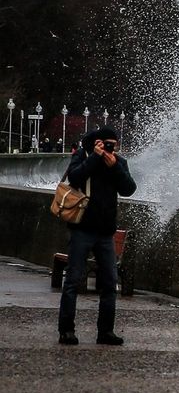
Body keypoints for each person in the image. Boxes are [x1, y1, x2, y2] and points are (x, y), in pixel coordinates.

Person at [57, 126, 137, 346]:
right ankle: (66, 330)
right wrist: (95, 157)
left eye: (114, 145)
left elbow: (129, 189)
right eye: (107, 145)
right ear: (98, 143)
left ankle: (105, 332)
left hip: (105, 232)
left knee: (110, 284)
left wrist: (114, 168)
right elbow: (74, 178)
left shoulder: (118, 163)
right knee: (73, 281)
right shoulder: (83, 157)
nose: (112, 149)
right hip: (82, 229)